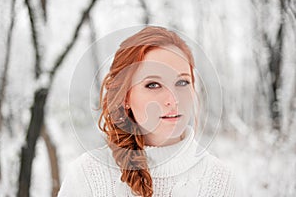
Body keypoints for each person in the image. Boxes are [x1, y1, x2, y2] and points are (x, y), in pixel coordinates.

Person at [58, 26, 238, 197]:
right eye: (153, 85)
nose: (173, 99)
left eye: (182, 82)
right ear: (125, 97)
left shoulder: (221, 182)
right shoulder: (87, 178)